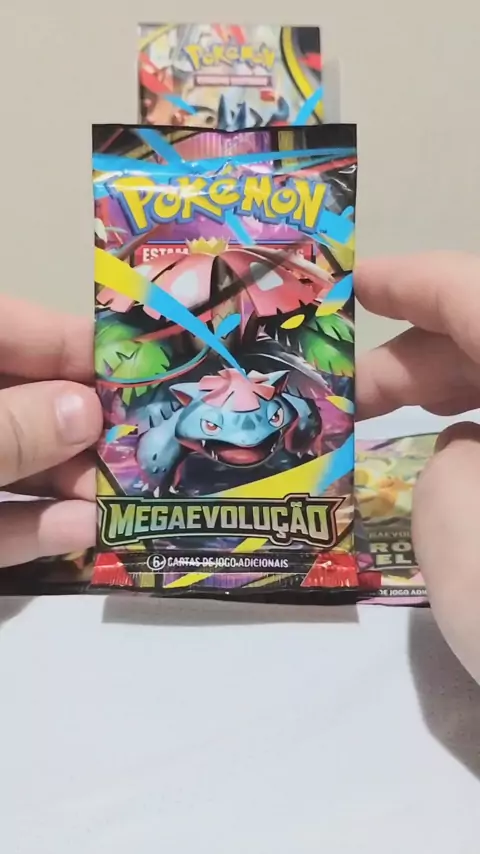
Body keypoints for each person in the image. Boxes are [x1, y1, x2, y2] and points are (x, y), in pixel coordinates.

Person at [1, 252, 479, 682]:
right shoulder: (174, 413)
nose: (247, 438)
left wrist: (298, 432)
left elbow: (303, 414)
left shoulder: (281, 390)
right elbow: (154, 456)